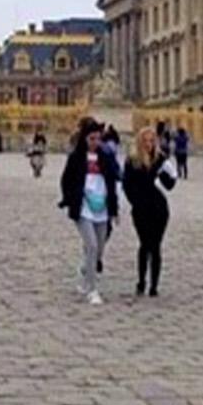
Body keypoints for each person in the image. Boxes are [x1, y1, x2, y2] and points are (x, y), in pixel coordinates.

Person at [58, 119, 120, 305]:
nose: (95, 142)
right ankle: (92, 289)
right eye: (92, 138)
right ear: (84, 138)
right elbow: (66, 181)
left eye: (98, 138)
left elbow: (112, 183)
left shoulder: (106, 158)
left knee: (99, 248)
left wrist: (114, 210)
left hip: (102, 207)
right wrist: (70, 199)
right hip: (83, 207)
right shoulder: (76, 158)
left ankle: (87, 268)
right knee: (91, 245)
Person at [122, 127, 179, 297]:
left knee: (156, 246)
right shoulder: (132, 160)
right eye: (145, 140)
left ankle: (154, 286)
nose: (149, 144)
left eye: (152, 140)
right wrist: (135, 202)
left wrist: (169, 175)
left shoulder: (160, 159)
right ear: (140, 142)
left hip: (158, 207)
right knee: (144, 244)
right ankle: (141, 281)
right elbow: (127, 185)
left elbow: (169, 186)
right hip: (140, 208)